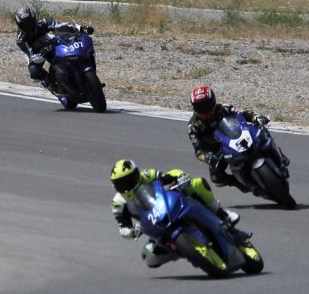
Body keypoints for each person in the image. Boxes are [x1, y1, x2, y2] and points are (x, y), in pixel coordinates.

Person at [109, 159, 250, 269]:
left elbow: (169, 176)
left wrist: (180, 177)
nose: (126, 185)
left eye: (129, 179)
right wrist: (132, 231)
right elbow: (123, 227)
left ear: (136, 174)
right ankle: (184, 250)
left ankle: (222, 214)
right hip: (156, 228)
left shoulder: (147, 176)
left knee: (197, 184)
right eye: (121, 183)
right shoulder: (118, 203)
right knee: (149, 257)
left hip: (169, 208)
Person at [187, 84, 287, 190]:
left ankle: (280, 154)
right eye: (200, 107)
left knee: (261, 129)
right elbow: (199, 151)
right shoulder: (193, 127)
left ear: (213, 101)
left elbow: (242, 114)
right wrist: (208, 157)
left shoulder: (223, 109)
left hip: (237, 136)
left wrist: (255, 117)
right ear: (194, 108)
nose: (204, 110)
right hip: (219, 151)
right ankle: (242, 184)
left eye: (206, 105)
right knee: (216, 177)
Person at [13, 6, 94, 92]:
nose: (29, 26)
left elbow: (60, 25)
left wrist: (81, 28)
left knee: (69, 40)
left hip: (50, 42)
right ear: (20, 25)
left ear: (34, 19)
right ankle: (50, 83)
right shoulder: (21, 39)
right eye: (25, 24)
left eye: (30, 22)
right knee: (33, 70)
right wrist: (43, 53)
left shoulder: (42, 23)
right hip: (37, 53)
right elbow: (31, 55)